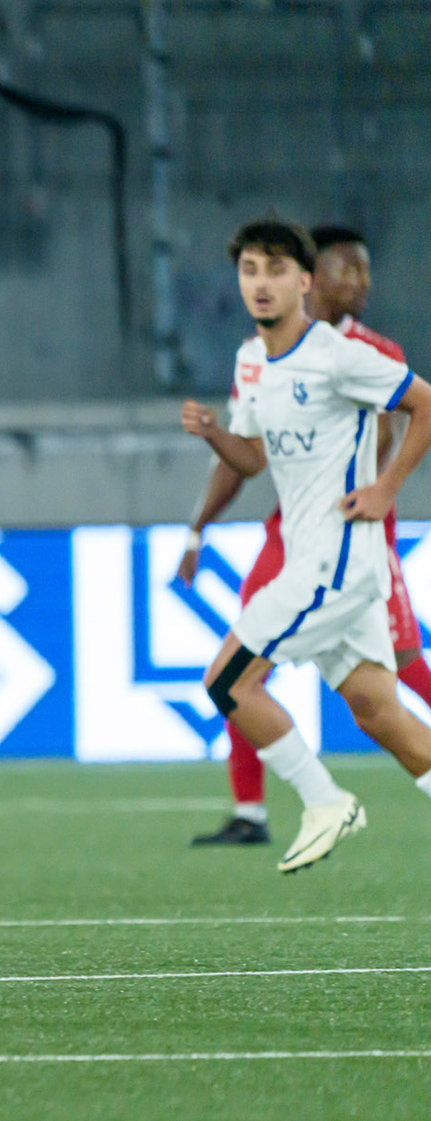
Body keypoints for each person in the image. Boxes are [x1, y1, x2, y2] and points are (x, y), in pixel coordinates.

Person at [181, 215, 431, 872]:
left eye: (276, 271)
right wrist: (212, 434)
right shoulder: (250, 360)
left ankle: (324, 802)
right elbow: (255, 458)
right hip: (310, 557)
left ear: (304, 281)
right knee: (380, 713)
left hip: (337, 561)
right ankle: (321, 800)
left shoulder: (339, 355)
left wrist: (383, 488)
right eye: (249, 271)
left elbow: (426, 404)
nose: (261, 285)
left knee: (227, 680)